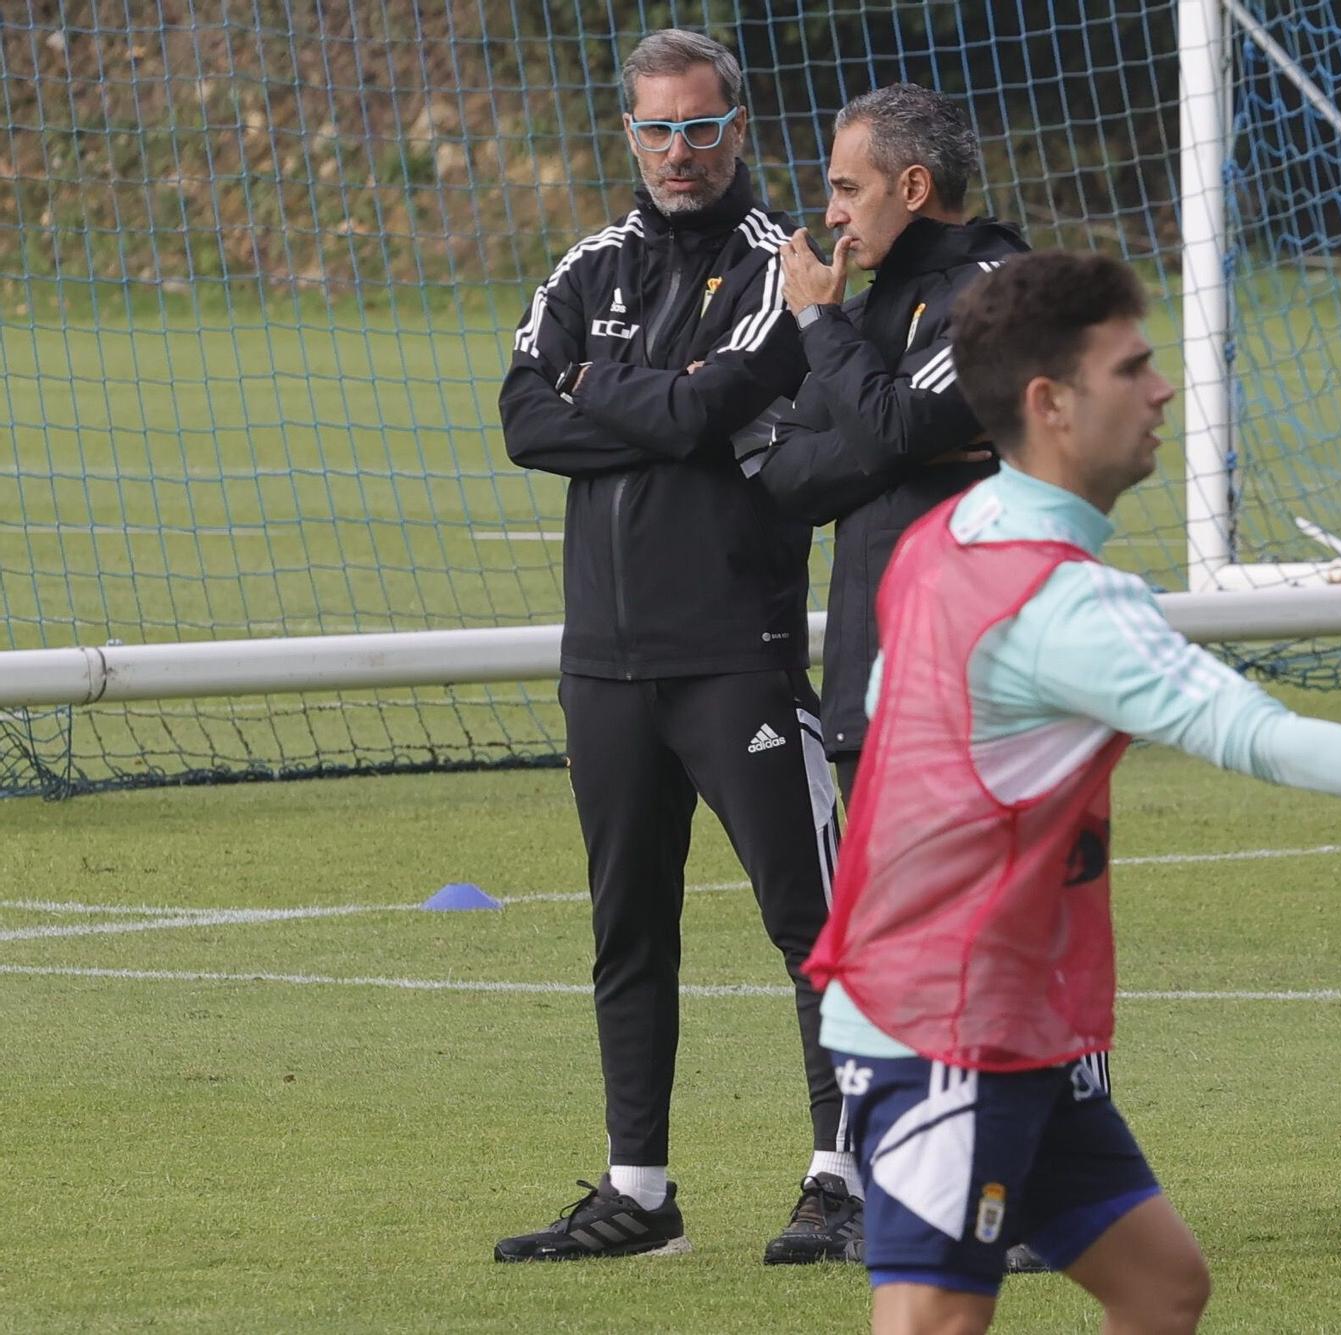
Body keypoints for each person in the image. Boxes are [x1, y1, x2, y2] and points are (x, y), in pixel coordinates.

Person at [803, 251, 1341, 1333]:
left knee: (1160, 1287)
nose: (1162, 389)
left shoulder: (935, 541)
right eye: (1131, 368)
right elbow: (1248, 733)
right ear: (1048, 404)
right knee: (932, 1323)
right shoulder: (1071, 608)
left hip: (1006, 1011)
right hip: (949, 1021)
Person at [493, 28, 858, 1266]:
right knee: (626, 928)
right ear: (630, 135)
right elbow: (522, 422)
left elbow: (725, 397)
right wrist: (667, 405)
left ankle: (843, 1174)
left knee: (810, 921)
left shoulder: (784, 263)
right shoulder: (585, 265)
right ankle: (638, 1193)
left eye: (700, 127)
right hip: (601, 664)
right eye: (657, 130)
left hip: (734, 652)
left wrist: (613, 397)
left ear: (739, 127)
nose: (679, 152)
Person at [754, 83, 1031, 804]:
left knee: (981, 915)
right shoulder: (860, 312)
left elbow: (887, 429)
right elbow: (784, 472)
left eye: (848, 188)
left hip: (975, 686)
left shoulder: (997, 296)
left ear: (913, 186)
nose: (831, 214)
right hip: (864, 685)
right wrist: (899, 442)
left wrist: (821, 329)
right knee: (886, 916)